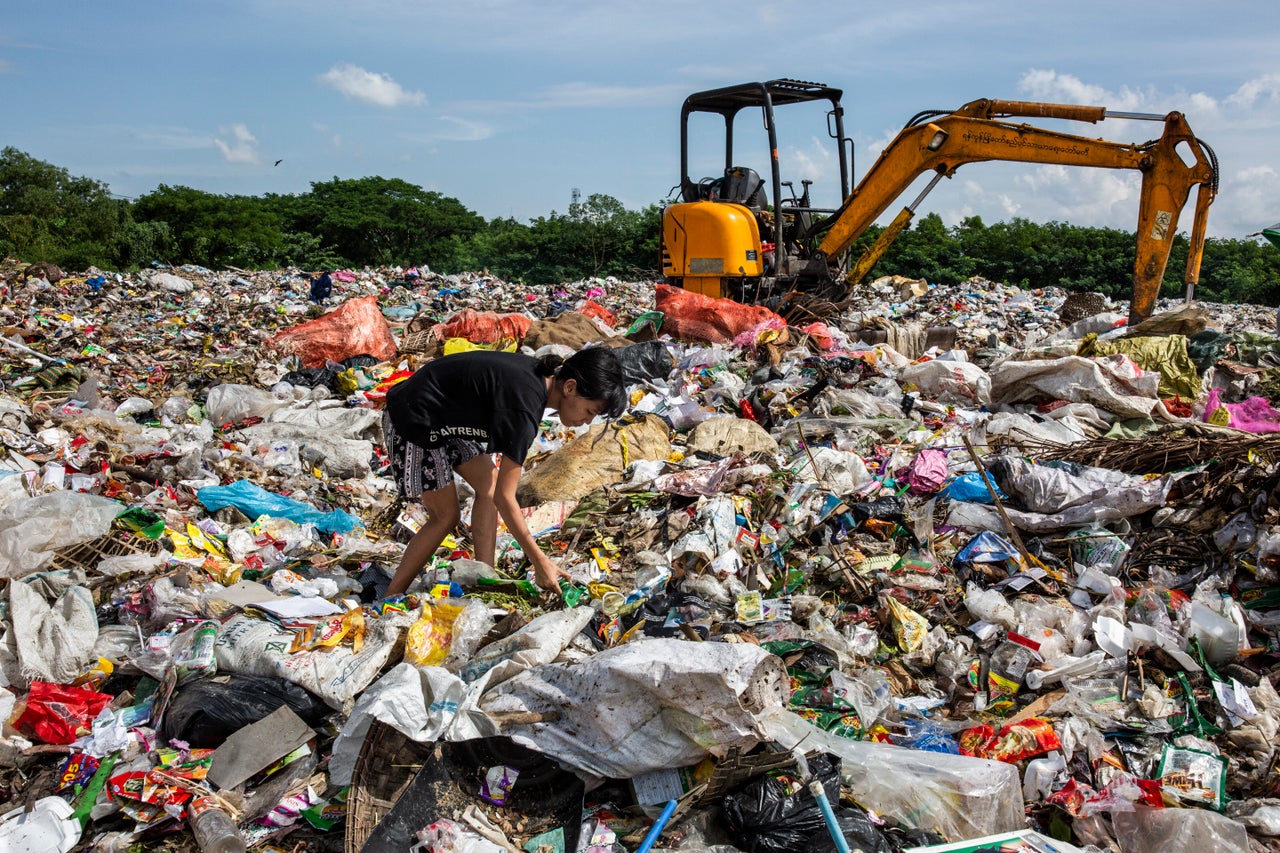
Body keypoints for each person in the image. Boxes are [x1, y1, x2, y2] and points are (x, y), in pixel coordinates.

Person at [381, 348, 626, 596]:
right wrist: (540, 561)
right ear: (570, 387)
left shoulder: (535, 386)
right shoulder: (524, 408)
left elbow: (498, 494)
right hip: (414, 417)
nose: (586, 422)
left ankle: (485, 578)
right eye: (590, 412)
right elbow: (506, 498)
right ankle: (391, 596)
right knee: (445, 516)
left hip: (447, 415)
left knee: (489, 487)